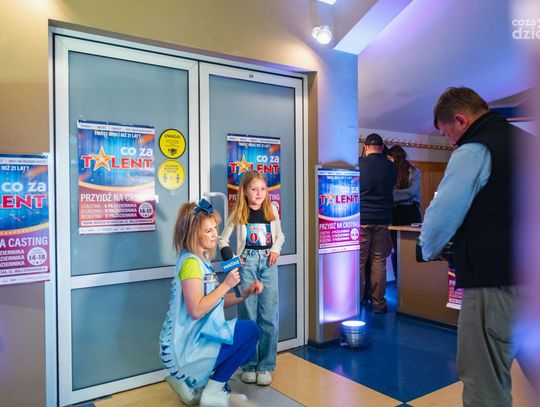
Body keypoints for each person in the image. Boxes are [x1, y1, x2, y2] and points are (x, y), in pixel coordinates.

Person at [419, 87, 530, 407]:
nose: (450, 142)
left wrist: (427, 248)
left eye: (447, 133)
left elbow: (443, 215)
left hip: (495, 282)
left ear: (460, 120)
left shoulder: (474, 150)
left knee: (485, 380)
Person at [160, 199, 264, 407]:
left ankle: (205, 387)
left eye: (215, 228)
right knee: (250, 331)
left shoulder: (201, 261)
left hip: (199, 337)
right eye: (208, 231)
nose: (215, 235)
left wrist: (245, 294)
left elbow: (215, 301)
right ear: (192, 234)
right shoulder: (191, 263)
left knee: (249, 335)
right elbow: (197, 309)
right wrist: (226, 285)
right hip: (188, 347)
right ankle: (211, 389)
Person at [218, 170, 285, 386]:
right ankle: (249, 365)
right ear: (245, 191)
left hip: (268, 264)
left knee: (269, 316)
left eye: (263, 189)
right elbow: (222, 240)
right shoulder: (238, 212)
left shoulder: (272, 210)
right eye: (254, 189)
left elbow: (280, 235)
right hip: (247, 264)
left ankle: (266, 366)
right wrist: (233, 260)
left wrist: (275, 249)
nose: (259, 193)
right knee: (248, 316)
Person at [358, 133, 397, 313]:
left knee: (359, 262)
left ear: (366, 147)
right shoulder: (391, 166)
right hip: (383, 219)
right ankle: (379, 304)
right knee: (379, 261)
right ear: (382, 148)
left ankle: (355, 302)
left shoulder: (359, 164)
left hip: (362, 219)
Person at [387, 145, 422, 277]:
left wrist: (391, 196)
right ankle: (399, 278)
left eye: (390, 159)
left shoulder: (414, 172)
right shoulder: (390, 172)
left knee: (411, 248)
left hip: (410, 212)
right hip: (396, 211)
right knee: (396, 248)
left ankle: (411, 278)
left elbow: (411, 192)